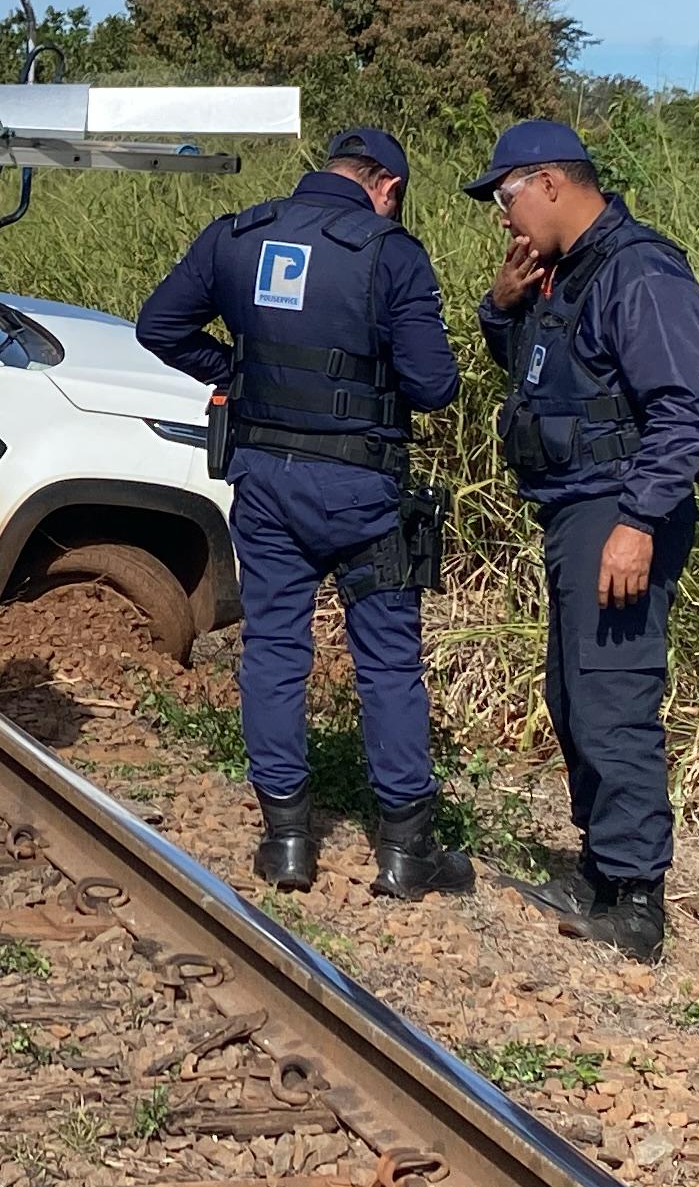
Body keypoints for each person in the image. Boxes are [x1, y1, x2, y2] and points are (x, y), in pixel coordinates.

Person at [137, 126, 470, 898]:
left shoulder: (237, 234)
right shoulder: (392, 253)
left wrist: (239, 374)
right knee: (387, 661)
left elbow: (160, 326)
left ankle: (288, 841)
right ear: (385, 185)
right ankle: (403, 852)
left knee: (275, 650)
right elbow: (434, 386)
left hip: (265, 482)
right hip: (361, 488)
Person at [470, 121, 699, 964]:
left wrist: (638, 522)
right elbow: (540, 376)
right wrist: (500, 308)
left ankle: (636, 899)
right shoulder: (560, 275)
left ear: (547, 183)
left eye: (505, 199)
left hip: (616, 509)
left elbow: (681, 412)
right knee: (573, 694)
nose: (503, 219)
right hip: (573, 509)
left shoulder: (640, 271)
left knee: (612, 696)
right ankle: (599, 870)